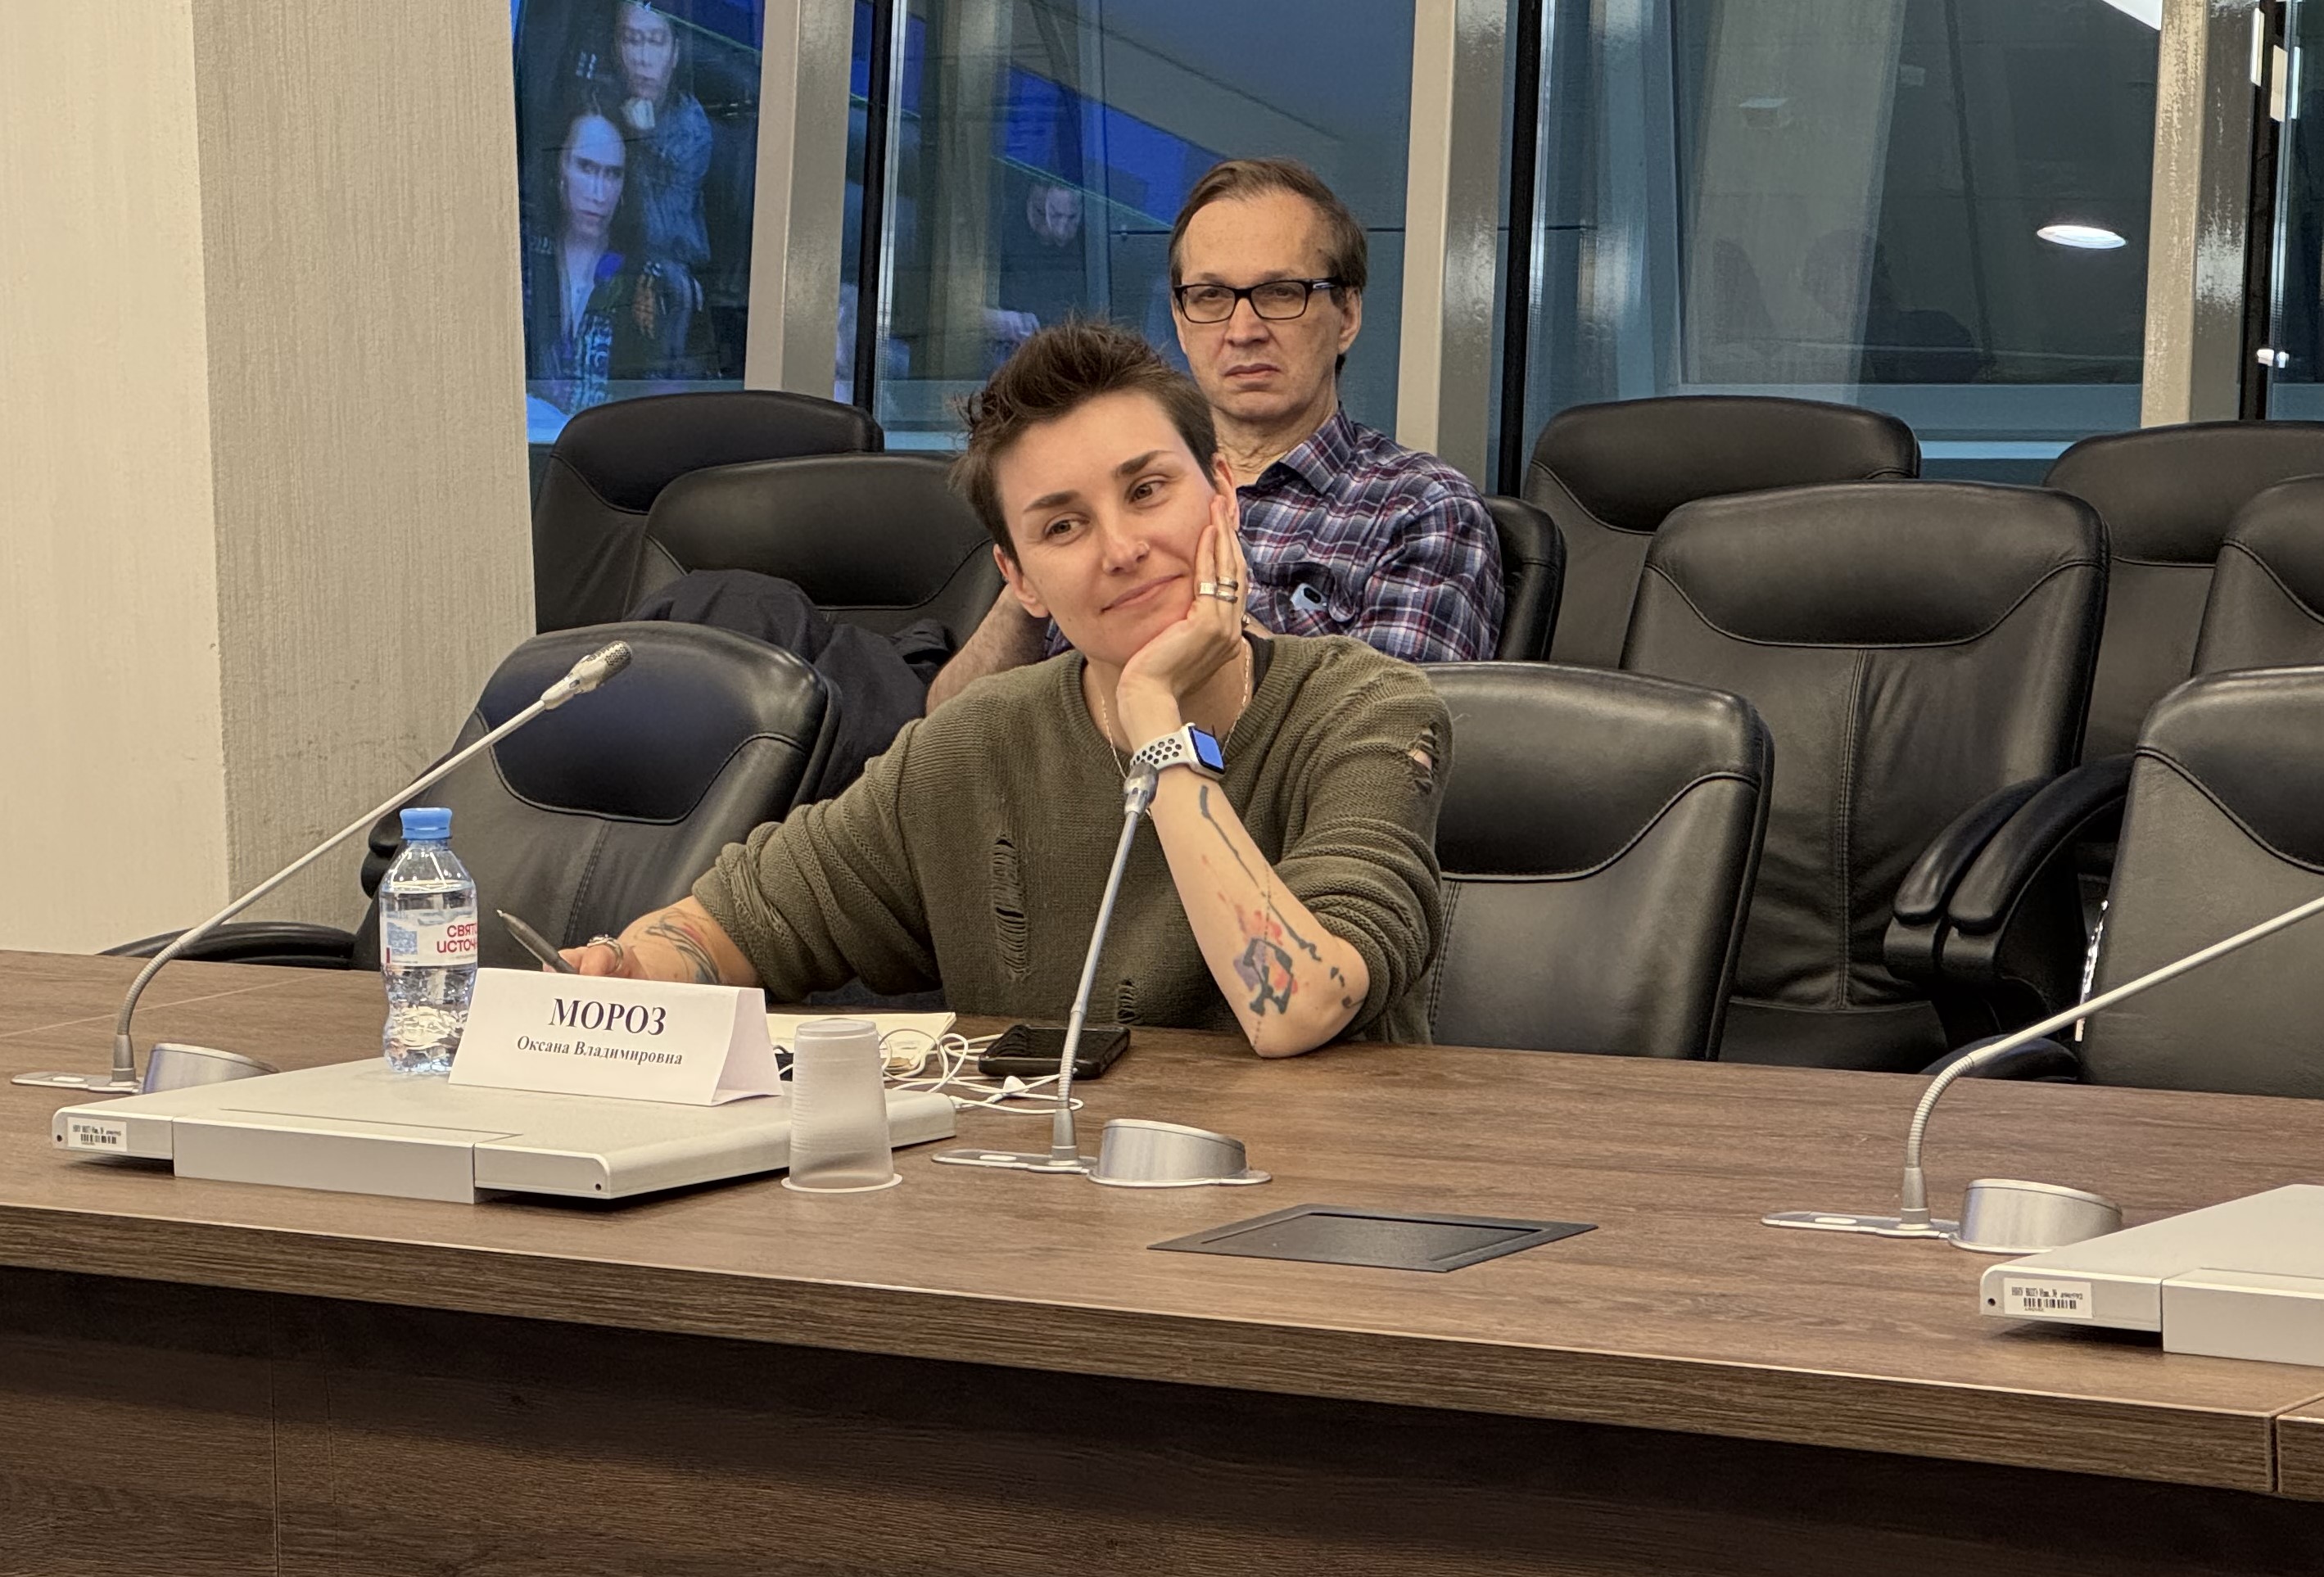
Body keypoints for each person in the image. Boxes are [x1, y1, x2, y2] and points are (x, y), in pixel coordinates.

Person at [566, 322, 1450, 1055]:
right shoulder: (972, 745)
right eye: (1063, 526)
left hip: (1307, 1196)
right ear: (1020, 578)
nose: (1121, 548)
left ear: (1222, 492)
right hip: (1037, 1195)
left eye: (1148, 490)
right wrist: (626, 971)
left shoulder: (1366, 711)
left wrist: (1156, 721)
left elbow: (1297, 1005)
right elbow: (733, 924)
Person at [928, 157, 1503, 709]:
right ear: (1180, 322)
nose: (1243, 330)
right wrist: (1046, 559)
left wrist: (1197, 615)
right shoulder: (1097, 496)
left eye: (1281, 293)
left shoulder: (1419, 507)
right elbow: (949, 735)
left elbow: (1392, 742)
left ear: (1347, 315)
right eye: (1210, 297)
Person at [521, 106, 645, 415]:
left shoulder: (643, 281)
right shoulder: (523, 262)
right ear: (559, 167)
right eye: (586, 168)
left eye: (612, 174)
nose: (598, 193)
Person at [613, 1, 712, 371]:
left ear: (674, 54)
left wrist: (642, 141)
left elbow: (659, 234)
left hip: (668, 278)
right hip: (609, 263)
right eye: (631, 40)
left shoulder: (691, 128)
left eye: (655, 42)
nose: (642, 58)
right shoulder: (602, 104)